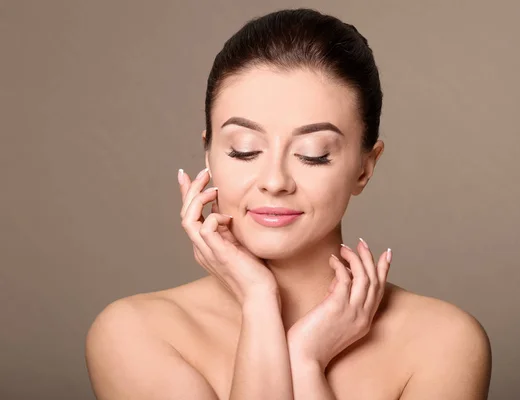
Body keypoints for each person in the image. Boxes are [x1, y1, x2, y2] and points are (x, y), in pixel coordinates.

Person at [85, 8, 492, 400]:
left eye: (313, 154)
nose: (275, 181)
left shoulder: (443, 342)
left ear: (365, 168)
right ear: (208, 153)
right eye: (244, 150)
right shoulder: (135, 333)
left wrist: (305, 361)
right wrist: (260, 303)